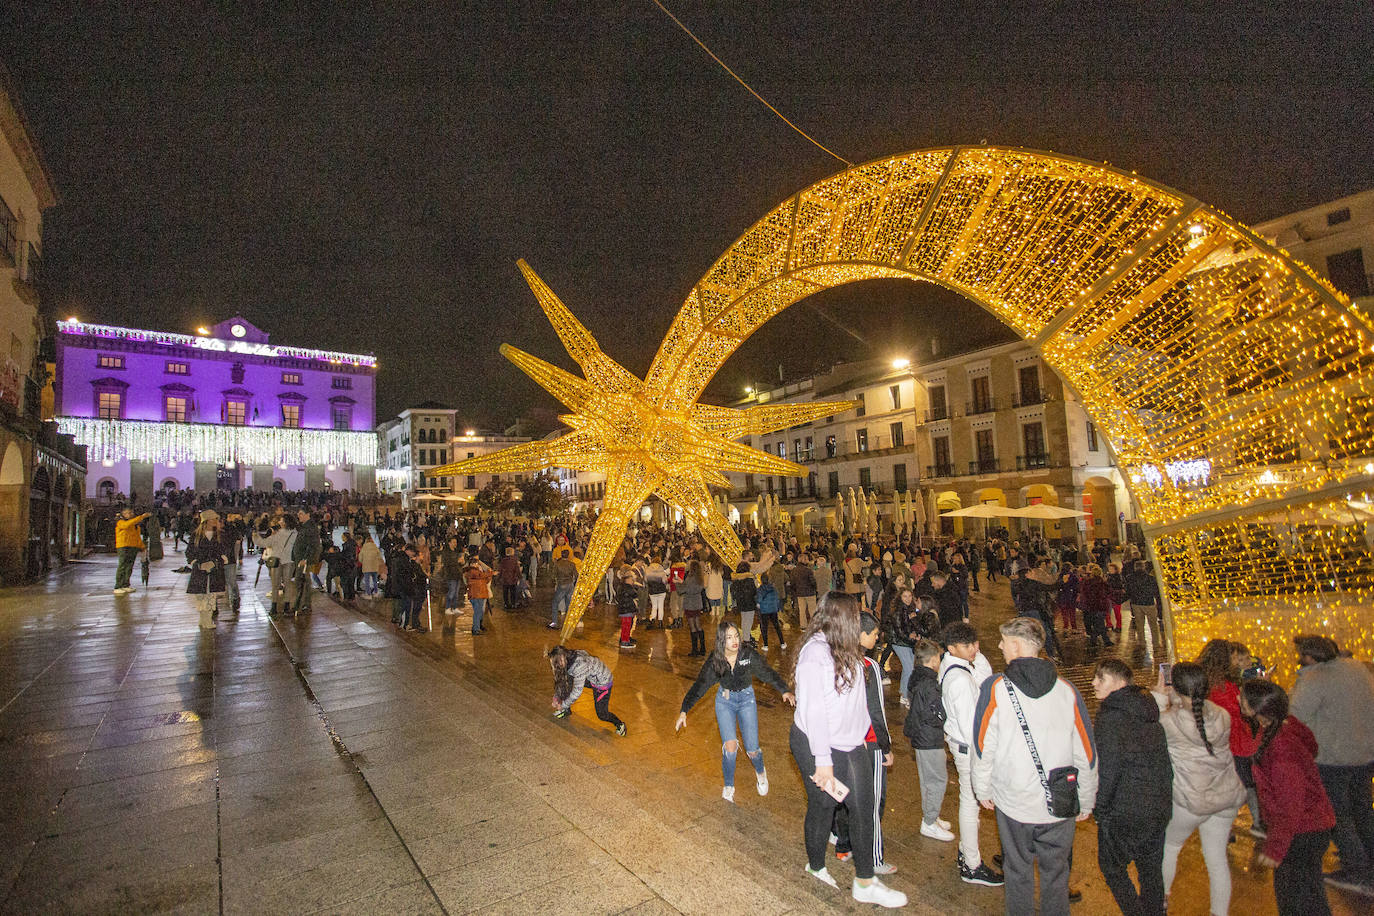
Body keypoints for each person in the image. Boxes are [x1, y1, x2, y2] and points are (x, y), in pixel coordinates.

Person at [789, 591, 907, 908]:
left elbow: (859, 702)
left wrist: (872, 743)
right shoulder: (815, 655)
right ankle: (815, 866)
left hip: (851, 742)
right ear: (843, 620)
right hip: (815, 743)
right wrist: (823, 764)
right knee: (823, 806)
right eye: (856, 615)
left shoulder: (848, 648)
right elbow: (814, 713)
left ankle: (865, 881)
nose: (860, 620)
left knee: (864, 806)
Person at [973, 616, 1097, 916]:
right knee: (1056, 875)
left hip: (1014, 801)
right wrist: (1087, 797)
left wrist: (982, 787)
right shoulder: (1067, 691)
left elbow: (981, 745)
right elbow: (1087, 752)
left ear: (1016, 645)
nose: (1000, 646)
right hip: (1060, 802)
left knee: (1018, 872)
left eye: (1003, 641)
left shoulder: (996, 688)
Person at [1153, 661, 1246, 916]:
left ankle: (1160, 903)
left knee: (1169, 847)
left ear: (1175, 688)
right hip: (1226, 797)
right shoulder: (1222, 715)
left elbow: (1150, 732)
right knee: (1217, 859)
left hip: (1191, 802)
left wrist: (1159, 700)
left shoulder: (1169, 723)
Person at [1241, 678, 1336, 916]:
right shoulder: (1284, 726)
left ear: (1257, 709)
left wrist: (1275, 848)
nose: (1237, 699)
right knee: (1311, 897)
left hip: (1301, 831)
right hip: (1312, 826)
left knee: (1295, 901)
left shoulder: (1280, 748)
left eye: (1242, 697)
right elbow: (1312, 747)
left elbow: (1289, 805)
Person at [1288, 634, 1374, 892]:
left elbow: (1295, 715)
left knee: (1337, 815)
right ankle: (1369, 858)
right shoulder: (1357, 668)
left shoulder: (1314, 679)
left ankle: (1356, 869)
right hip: (1364, 754)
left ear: (1309, 657)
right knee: (1363, 810)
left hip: (1332, 758)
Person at [677, 620, 794, 802]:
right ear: (721, 641)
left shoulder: (747, 654)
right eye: (729, 637)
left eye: (736, 636)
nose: (734, 641)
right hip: (725, 702)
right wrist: (684, 709)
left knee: (752, 749)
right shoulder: (716, 660)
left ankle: (761, 772)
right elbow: (700, 685)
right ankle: (729, 785)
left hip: (747, 699)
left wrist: (784, 689)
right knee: (730, 747)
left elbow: (766, 672)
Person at [1091, 657, 1171, 916]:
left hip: (1127, 809)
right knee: (1150, 870)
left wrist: (1100, 810)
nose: (1094, 683)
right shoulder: (1147, 710)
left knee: (1112, 867)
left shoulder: (1111, 717)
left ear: (1119, 683)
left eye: (1100, 678)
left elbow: (1108, 769)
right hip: (1158, 805)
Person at [831, 612, 898, 875]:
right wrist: (886, 746)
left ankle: (842, 843)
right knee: (872, 801)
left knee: (845, 795)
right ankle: (873, 857)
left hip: (840, 743)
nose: (876, 638)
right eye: (873, 634)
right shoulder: (868, 666)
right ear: (860, 636)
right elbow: (876, 712)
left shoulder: (835, 660)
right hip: (868, 744)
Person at [939, 620, 1003, 887]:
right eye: (967, 646)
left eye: (975, 643)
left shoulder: (956, 664)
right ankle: (971, 863)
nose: (974, 649)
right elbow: (970, 728)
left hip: (964, 744)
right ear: (952, 648)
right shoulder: (960, 681)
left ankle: (968, 854)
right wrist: (986, 758)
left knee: (970, 802)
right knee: (971, 802)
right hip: (968, 749)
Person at [903, 637, 953, 843]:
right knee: (938, 780)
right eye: (939, 659)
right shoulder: (930, 683)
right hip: (929, 737)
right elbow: (935, 712)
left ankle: (931, 816)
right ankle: (930, 822)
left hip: (921, 736)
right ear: (933, 660)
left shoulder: (916, 677)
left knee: (928, 780)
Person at [549, 646, 626, 737]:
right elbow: (562, 680)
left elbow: (577, 691)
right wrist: (557, 697)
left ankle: (620, 725)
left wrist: (563, 704)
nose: (556, 667)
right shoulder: (570, 656)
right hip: (592, 677)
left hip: (603, 683)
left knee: (602, 714)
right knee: (568, 677)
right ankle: (566, 710)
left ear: (562, 658)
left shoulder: (579, 666)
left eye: (557, 664)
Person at [185, 510, 230, 629]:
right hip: (200, 570)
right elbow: (189, 552)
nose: (216, 521)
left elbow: (223, 550)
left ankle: (208, 619)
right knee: (201, 595)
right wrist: (196, 562)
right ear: (207, 521)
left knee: (211, 596)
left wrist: (218, 560)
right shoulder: (196, 535)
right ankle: (203, 618)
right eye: (214, 519)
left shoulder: (219, 535)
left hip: (214, 569)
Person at [113, 507, 150, 595]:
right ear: (123, 514)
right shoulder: (120, 522)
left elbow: (137, 537)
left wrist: (142, 546)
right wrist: (141, 517)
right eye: (127, 513)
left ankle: (126, 584)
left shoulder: (135, 525)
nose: (130, 514)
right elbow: (127, 525)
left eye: (131, 513)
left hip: (133, 546)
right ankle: (118, 586)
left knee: (129, 566)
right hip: (123, 546)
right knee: (122, 565)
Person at [679, 559, 708, 656]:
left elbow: (684, 590)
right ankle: (703, 648)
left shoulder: (690, 578)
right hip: (697, 603)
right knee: (698, 625)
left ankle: (695, 650)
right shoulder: (699, 577)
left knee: (692, 627)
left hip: (690, 603)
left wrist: (678, 583)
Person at [548, 547, 578, 630]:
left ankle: (554, 622)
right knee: (568, 603)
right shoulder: (572, 564)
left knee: (555, 603)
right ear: (568, 556)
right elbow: (576, 575)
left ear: (561, 555)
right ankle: (568, 623)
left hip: (562, 584)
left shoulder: (558, 564)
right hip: (570, 585)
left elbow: (553, 575)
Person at [465, 555, 494, 635]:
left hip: (480, 594)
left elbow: (484, 579)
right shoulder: (473, 571)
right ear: (472, 564)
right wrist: (490, 573)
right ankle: (476, 629)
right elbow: (481, 576)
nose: (477, 565)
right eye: (476, 563)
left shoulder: (476, 571)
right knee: (478, 612)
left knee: (480, 612)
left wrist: (489, 576)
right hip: (476, 594)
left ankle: (477, 626)